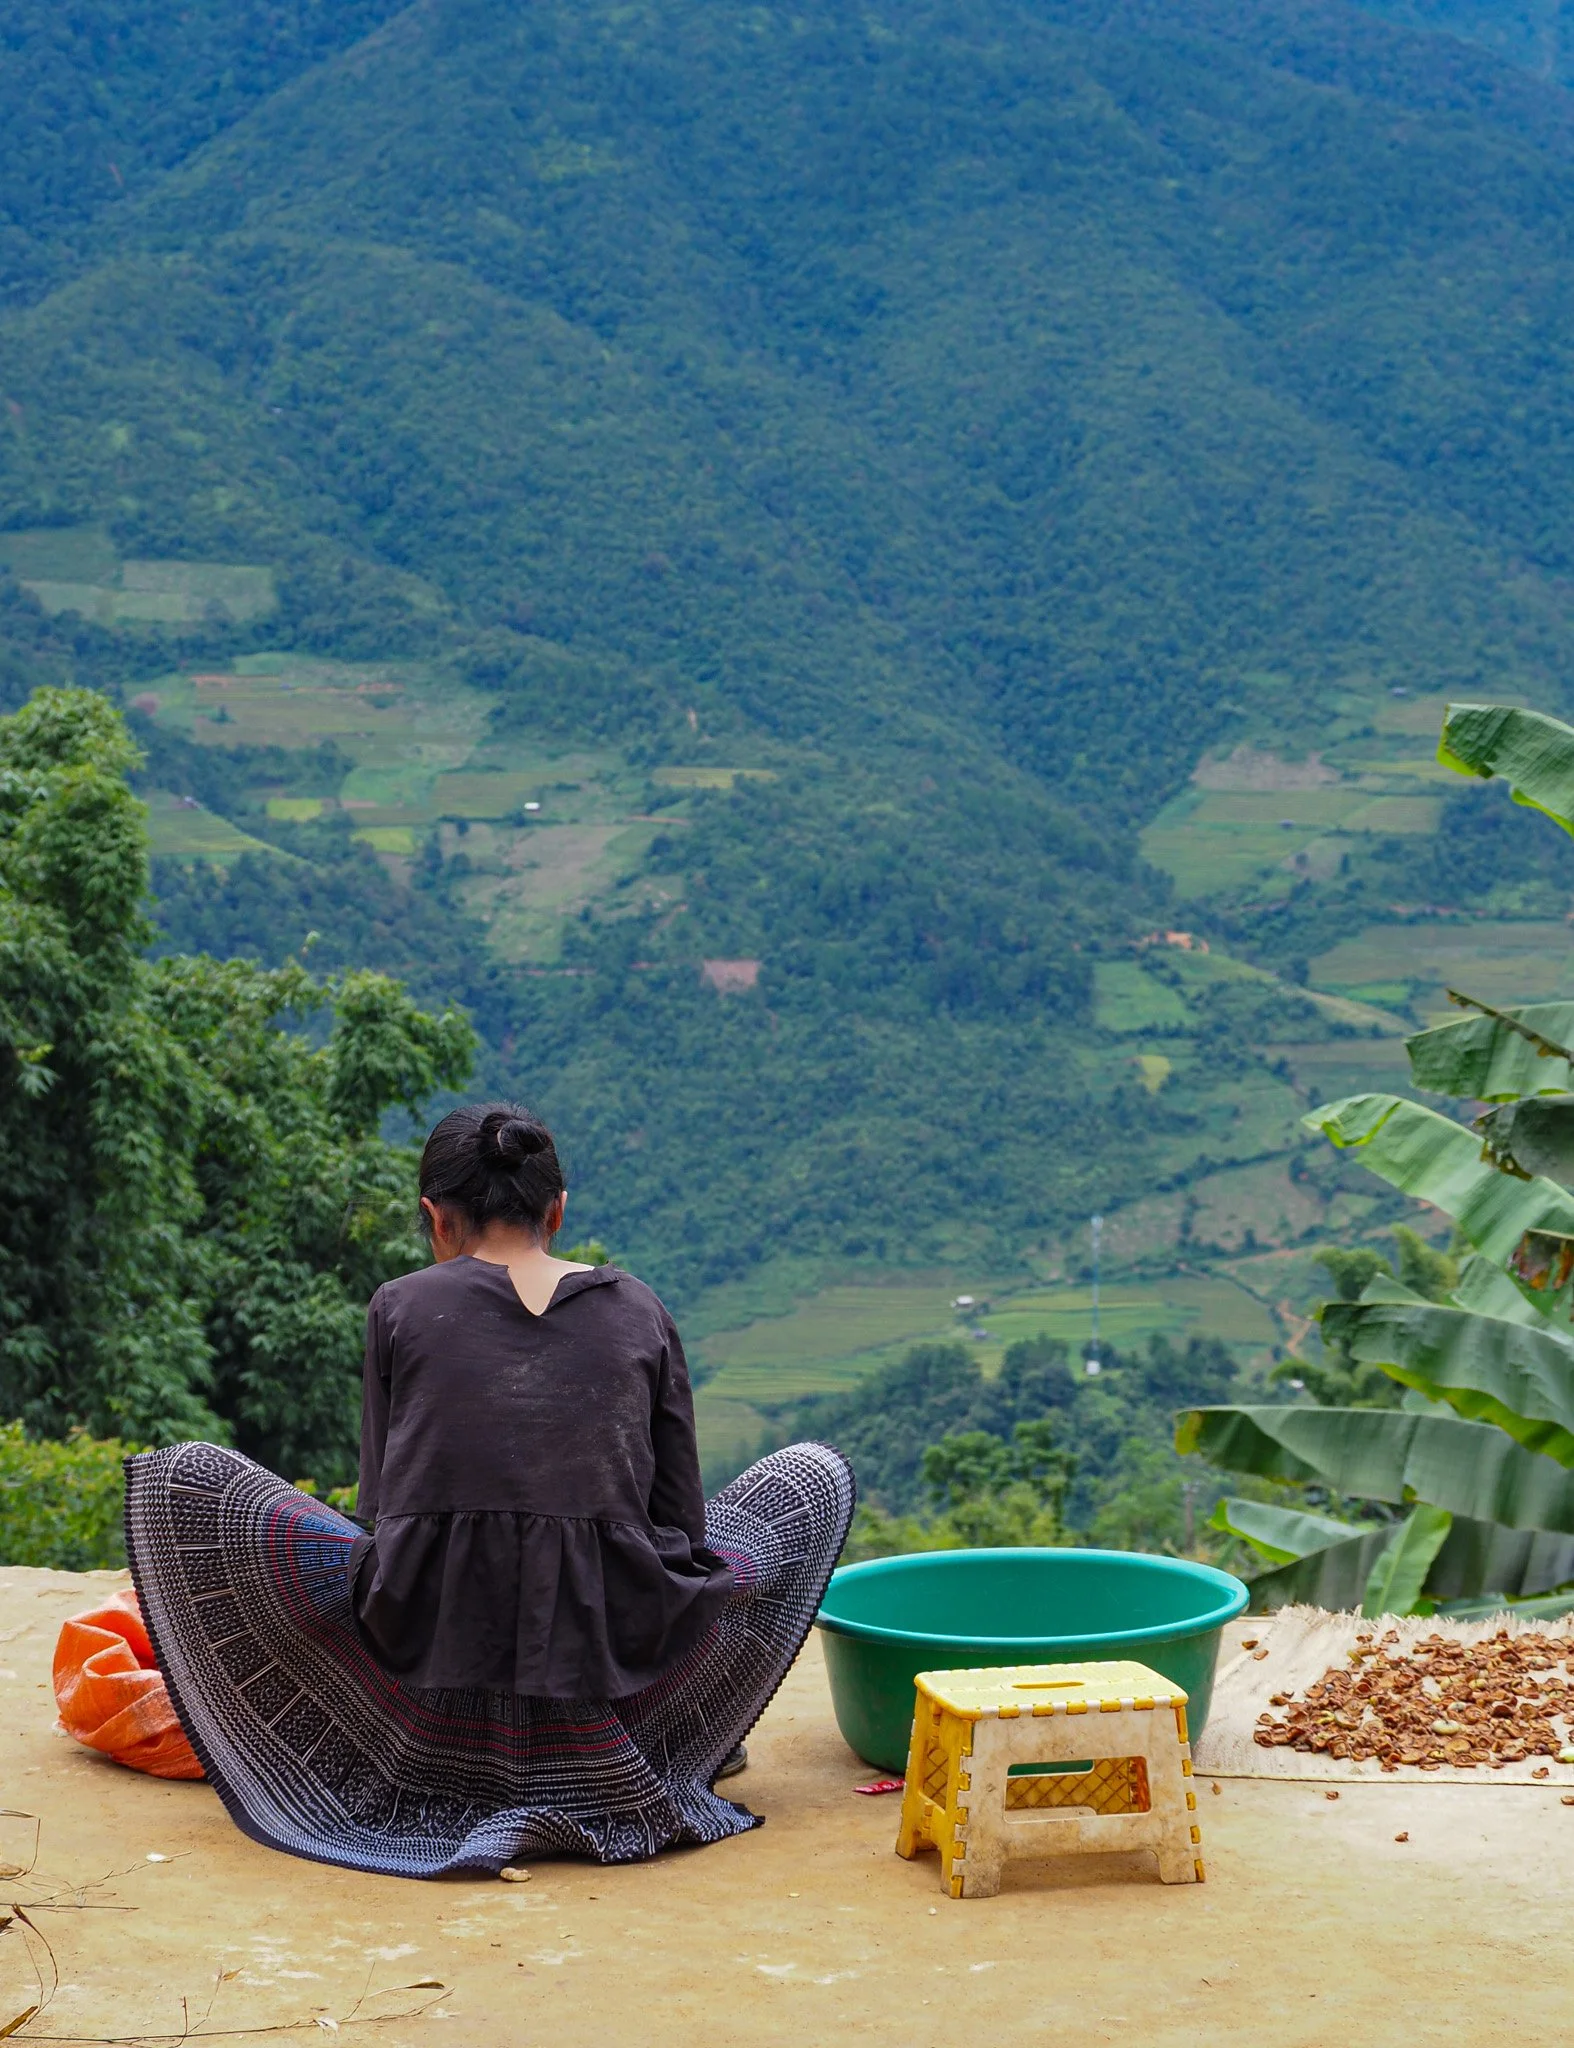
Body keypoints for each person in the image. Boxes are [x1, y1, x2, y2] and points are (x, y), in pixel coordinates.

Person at [124, 1104, 855, 1878]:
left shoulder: (399, 1306)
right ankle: (656, 1732)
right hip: (608, 1640)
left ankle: (453, 1737)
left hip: (425, 1630)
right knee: (812, 1476)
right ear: (558, 1210)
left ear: (434, 1218)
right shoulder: (639, 1308)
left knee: (188, 1474)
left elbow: (385, 1505)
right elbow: (678, 1524)